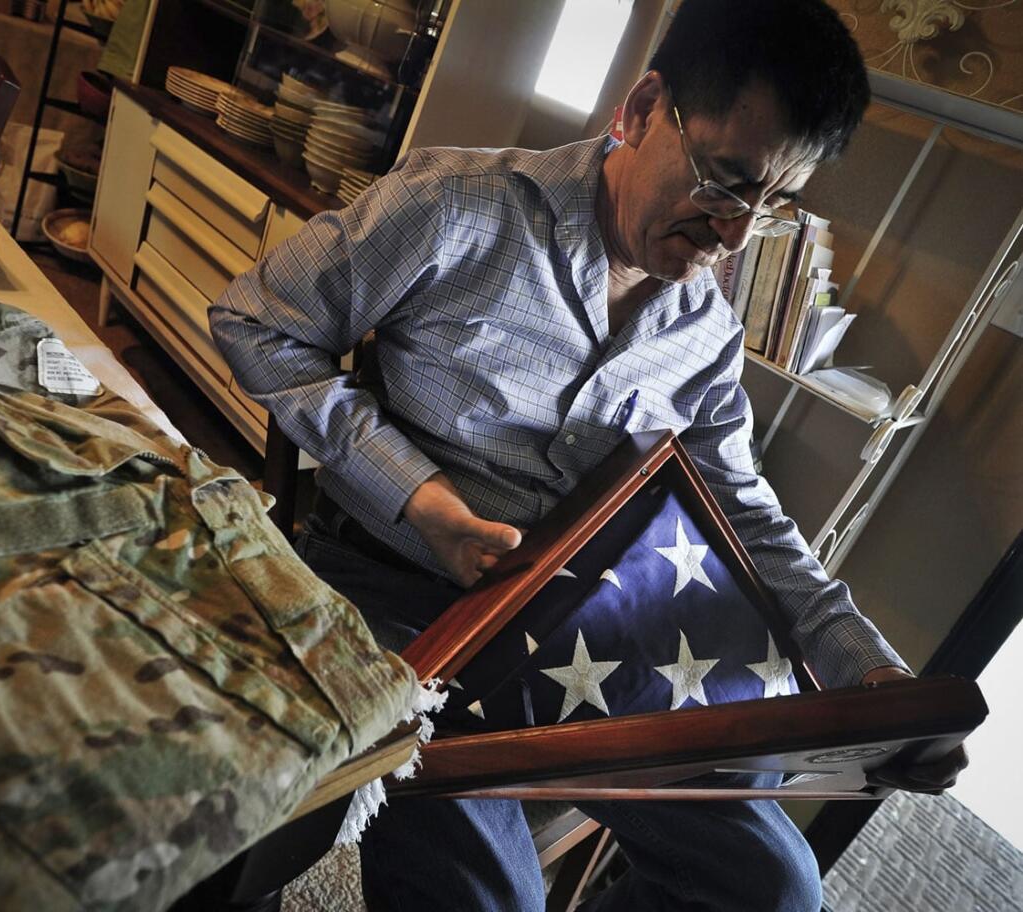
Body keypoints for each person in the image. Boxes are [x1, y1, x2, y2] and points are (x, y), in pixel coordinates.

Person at [208, 0, 967, 907]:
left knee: (774, 885)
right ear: (643, 109)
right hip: (393, 597)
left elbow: (748, 518)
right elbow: (256, 320)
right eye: (725, 182)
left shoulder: (707, 335)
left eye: (772, 208)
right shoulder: (456, 206)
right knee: (492, 895)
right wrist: (423, 500)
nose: (733, 235)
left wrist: (867, 673)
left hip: (579, 634)